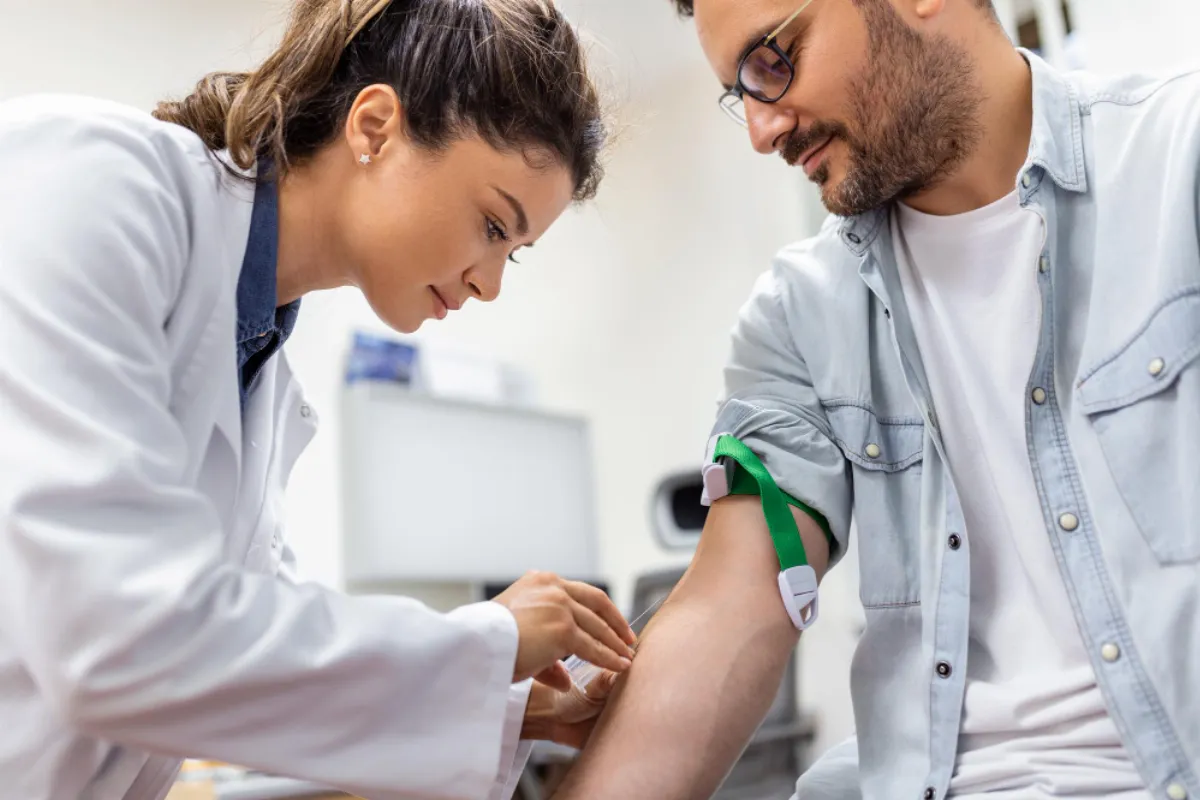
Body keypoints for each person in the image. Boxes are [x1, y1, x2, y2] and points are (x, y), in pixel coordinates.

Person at [551, 1, 1200, 799]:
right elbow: (726, 608)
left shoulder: (1178, 163)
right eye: (738, 92)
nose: (760, 129)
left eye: (772, 60)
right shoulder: (797, 318)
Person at [0, 1, 637, 798]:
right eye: (489, 224)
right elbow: (117, 642)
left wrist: (505, 707)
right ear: (374, 127)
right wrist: (487, 643)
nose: (490, 282)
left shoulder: (260, 371)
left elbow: (237, 670)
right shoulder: (93, 181)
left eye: (516, 252)